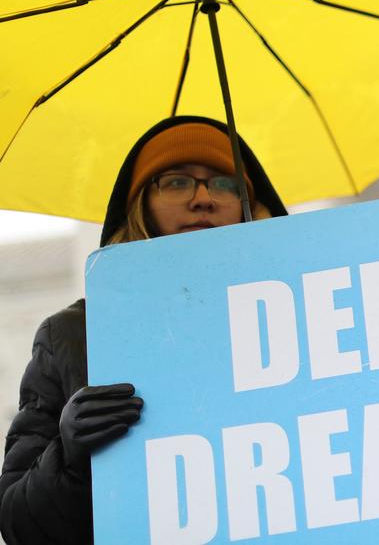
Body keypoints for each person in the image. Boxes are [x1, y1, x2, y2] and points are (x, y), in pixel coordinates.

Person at [0, 115, 287, 544]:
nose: (204, 198)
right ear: (140, 206)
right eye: (176, 182)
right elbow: (20, 526)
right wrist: (70, 454)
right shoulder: (72, 337)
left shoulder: (302, 317)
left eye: (227, 184)